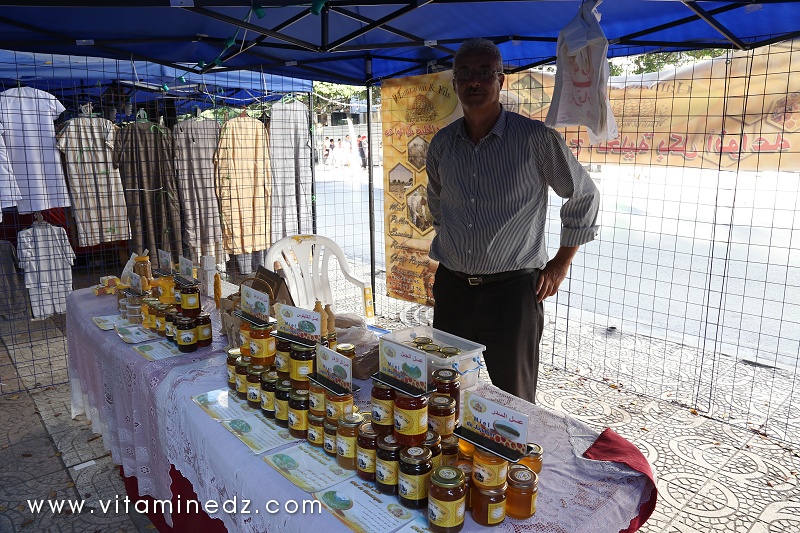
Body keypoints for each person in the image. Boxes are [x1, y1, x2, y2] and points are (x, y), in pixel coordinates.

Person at [426, 38, 600, 404]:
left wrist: (559, 264)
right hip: (452, 290)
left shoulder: (535, 139)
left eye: (484, 73)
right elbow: (438, 200)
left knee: (514, 399)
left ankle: (510, 461)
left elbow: (583, 195)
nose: (474, 81)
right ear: (454, 83)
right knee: (445, 390)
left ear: (501, 80)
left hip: (512, 293)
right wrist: (454, 245)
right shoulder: (442, 144)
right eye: (465, 74)